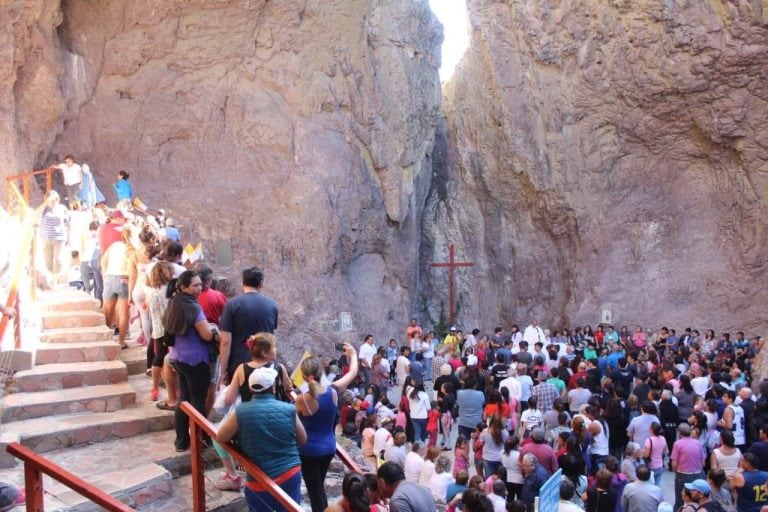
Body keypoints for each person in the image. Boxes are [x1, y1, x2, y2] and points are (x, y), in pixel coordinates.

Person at [218, 366, 307, 511]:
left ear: (251, 389)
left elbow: (221, 436)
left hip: (258, 477)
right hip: (289, 472)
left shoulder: (240, 412)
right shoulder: (289, 409)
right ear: (272, 388)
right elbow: (303, 439)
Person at [295, 345, 358, 512]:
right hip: (329, 448)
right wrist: (353, 354)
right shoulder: (333, 392)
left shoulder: (302, 400)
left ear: (303, 376)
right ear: (321, 372)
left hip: (309, 451)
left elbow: (292, 420)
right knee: (318, 486)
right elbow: (352, 373)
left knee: (314, 490)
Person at [163, 270, 217, 452]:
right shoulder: (193, 308)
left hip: (178, 357)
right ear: (184, 287)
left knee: (183, 400)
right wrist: (213, 331)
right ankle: (203, 439)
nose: (199, 288)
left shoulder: (174, 301)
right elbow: (206, 335)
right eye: (195, 285)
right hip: (195, 360)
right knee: (197, 400)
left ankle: (181, 441)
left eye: (200, 284)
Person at [219, 267, 278, 386]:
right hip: (265, 364)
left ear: (243, 282)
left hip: (239, 366)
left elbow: (225, 341)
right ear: (261, 283)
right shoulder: (272, 304)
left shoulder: (231, 304)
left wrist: (223, 370)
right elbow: (271, 336)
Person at [671, 423, 706, 511]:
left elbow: (674, 464)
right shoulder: (698, 443)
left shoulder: (678, 444)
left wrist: (677, 472)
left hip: (683, 475)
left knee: (680, 499)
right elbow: (703, 462)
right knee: (698, 499)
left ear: (679, 432)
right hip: (699, 474)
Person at [37, 190, 69, 279]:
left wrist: (69, 236)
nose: (53, 202)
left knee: (58, 260)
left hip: (59, 237)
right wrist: (45, 204)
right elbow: (36, 215)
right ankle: (50, 279)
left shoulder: (62, 208)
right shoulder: (44, 209)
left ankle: (55, 280)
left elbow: (68, 222)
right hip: (46, 237)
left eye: (55, 200)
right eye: (51, 200)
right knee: (48, 261)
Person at [643, 422, 668, 487]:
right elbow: (664, 452)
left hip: (651, 466)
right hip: (660, 465)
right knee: (657, 485)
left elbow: (646, 455)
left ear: (651, 430)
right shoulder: (663, 438)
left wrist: (643, 452)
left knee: (650, 486)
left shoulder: (649, 440)